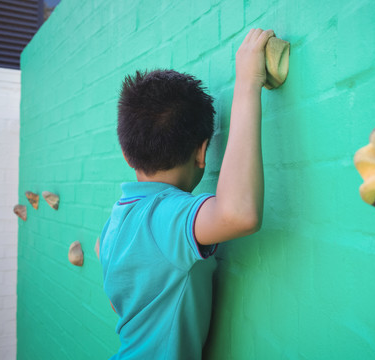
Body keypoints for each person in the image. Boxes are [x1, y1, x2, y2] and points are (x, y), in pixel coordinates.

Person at [97, 28, 275, 359]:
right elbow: (239, 214)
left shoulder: (112, 227)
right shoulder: (164, 215)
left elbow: (118, 301)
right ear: (202, 152)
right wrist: (247, 84)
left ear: (126, 153)